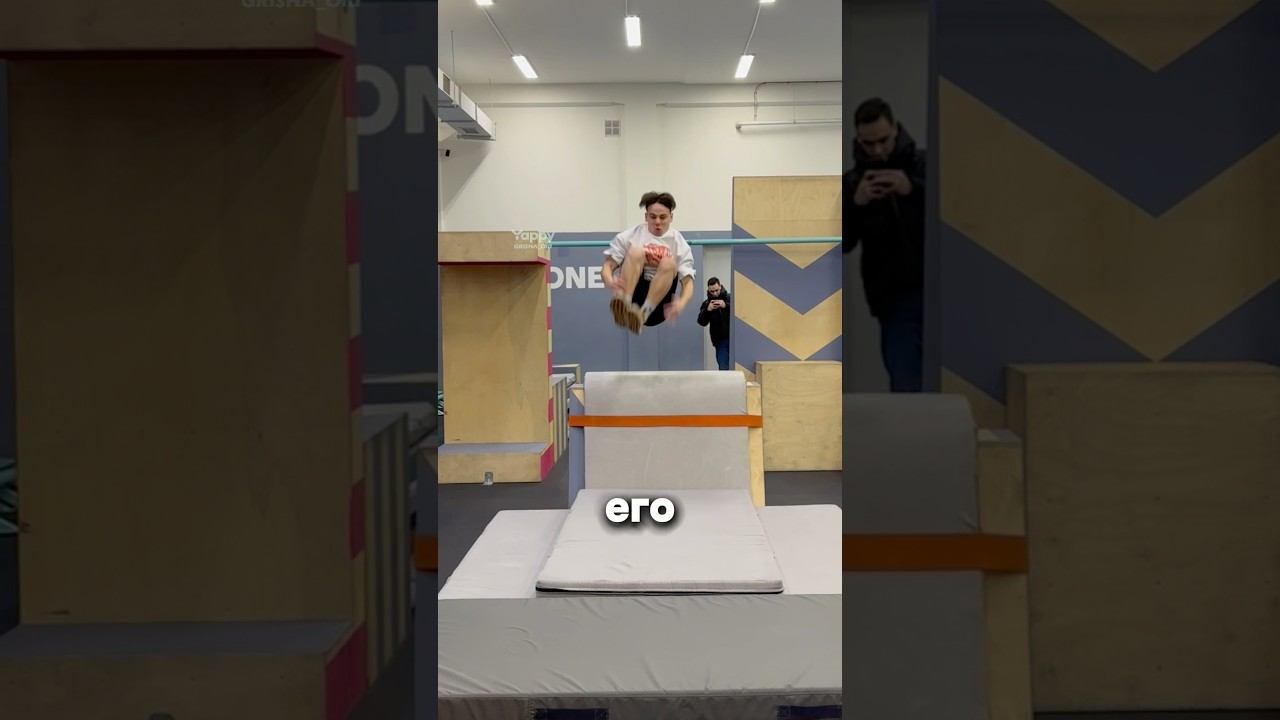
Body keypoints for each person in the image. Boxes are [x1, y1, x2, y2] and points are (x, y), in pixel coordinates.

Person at [843, 97, 925, 392]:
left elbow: (953, 221)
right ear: (858, 140)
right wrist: (856, 203)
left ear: (896, 130)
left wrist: (911, 189)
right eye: (869, 143)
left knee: (951, 381)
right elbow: (844, 244)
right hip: (893, 299)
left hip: (940, 291)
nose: (878, 150)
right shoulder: (852, 183)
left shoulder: (924, 167)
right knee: (905, 383)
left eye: (883, 140)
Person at [601, 191, 696, 334]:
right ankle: (624, 303)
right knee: (636, 252)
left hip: (658, 304)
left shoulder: (679, 243)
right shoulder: (631, 235)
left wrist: (680, 304)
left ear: (671, 217)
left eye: (662, 217)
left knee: (668, 263)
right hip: (634, 295)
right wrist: (610, 281)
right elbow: (607, 266)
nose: (657, 222)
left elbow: (688, 283)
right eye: (653, 217)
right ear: (646, 217)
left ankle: (643, 314)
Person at [696, 277, 732, 370]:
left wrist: (726, 306)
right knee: (723, 368)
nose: (715, 293)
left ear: (720, 286)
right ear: (708, 290)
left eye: (716, 290)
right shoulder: (706, 303)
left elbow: (741, 313)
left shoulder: (730, 298)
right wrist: (708, 310)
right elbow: (701, 322)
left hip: (735, 338)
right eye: (712, 291)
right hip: (720, 341)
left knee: (739, 367)